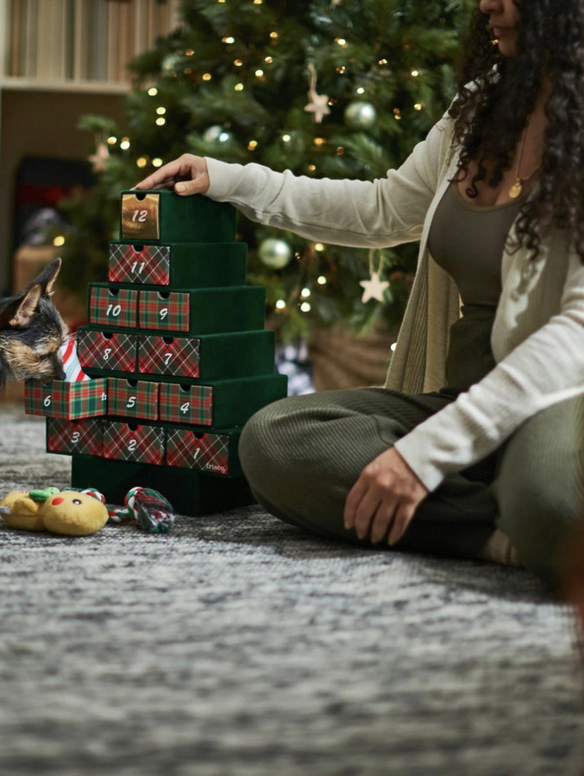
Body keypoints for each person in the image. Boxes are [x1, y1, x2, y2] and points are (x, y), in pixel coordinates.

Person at [135, 0, 584, 591]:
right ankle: (502, 536)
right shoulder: (482, 104)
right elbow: (384, 207)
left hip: (558, 404)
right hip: (459, 400)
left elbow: (576, 333)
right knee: (273, 441)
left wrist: (423, 457)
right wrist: (234, 180)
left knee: (552, 498)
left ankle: (528, 515)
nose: (487, 5)